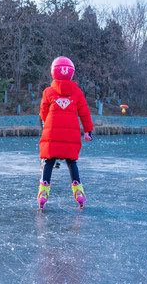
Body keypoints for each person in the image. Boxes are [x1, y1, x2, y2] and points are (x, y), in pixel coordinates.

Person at [37, 56, 93, 210]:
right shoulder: (77, 92)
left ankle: (43, 194)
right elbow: (84, 113)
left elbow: (43, 113)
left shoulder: (48, 92)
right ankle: (79, 193)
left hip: (52, 134)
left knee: (49, 161)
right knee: (71, 162)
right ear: (71, 72)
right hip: (71, 135)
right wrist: (88, 131)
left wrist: (47, 125)